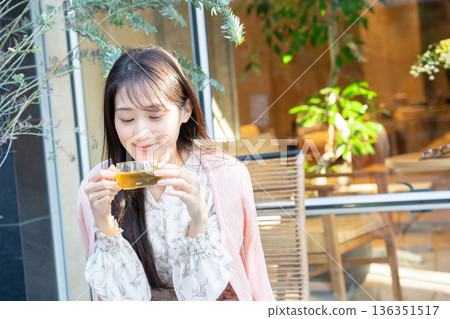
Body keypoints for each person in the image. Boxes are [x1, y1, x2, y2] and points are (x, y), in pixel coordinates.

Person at [76, 47, 274, 301]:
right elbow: (121, 302)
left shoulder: (227, 176)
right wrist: (104, 221)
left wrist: (198, 217)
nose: (141, 132)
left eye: (154, 115)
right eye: (127, 119)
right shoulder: (97, 186)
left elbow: (206, 294)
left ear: (185, 110)